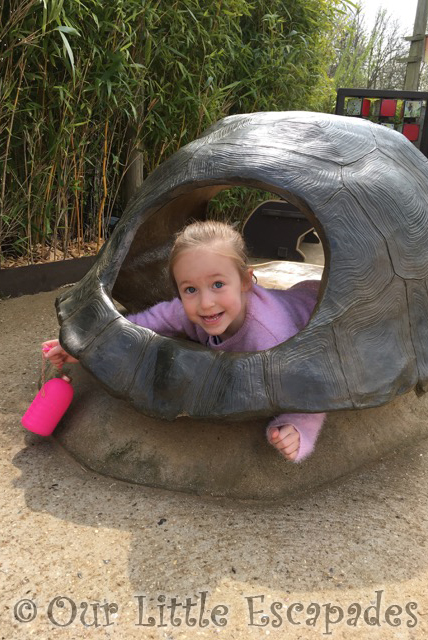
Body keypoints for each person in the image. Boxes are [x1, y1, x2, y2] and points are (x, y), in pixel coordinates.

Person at [43, 220, 325, 462]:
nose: (205, 303)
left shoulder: (271, 336)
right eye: (190, 289)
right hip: (292, 297)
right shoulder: (189, 310)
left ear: (245, 282)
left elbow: (312, 380)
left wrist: (298, 426)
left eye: (218, 284)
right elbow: (147, 321)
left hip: (314, 303)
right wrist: (88, 345)